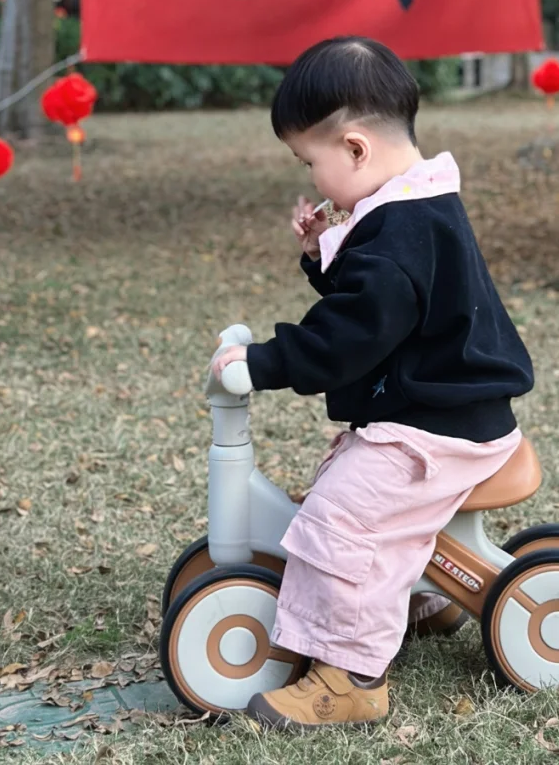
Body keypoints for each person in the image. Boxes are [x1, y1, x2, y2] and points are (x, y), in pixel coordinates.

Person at [211, 36, 534, 730]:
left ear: (355, 148)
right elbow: (382, 310)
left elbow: (349, 335)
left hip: (440, 426)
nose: (311, 177)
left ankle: (351, 677)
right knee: (349, 482)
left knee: (342, 518)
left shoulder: (398, 231)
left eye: (310, 161)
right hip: (445, 409)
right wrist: (320, 257)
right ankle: (422, 595)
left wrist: (262, 363)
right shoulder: (415, 203)